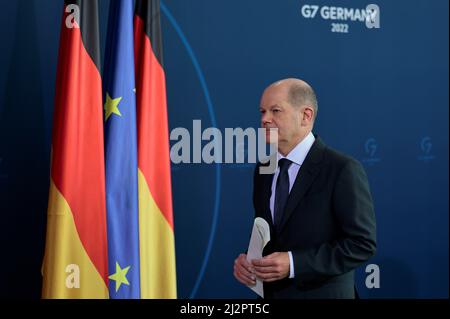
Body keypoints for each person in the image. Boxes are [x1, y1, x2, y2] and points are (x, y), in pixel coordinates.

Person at [233, 78, 376, 299]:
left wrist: (293, 263)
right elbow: (267, 233)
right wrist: (250, 260)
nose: (264, 119)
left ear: (306, 116)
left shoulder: (341, 169)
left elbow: (361, 244)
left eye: (275, 111)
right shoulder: (264, 169)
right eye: (262, 111)